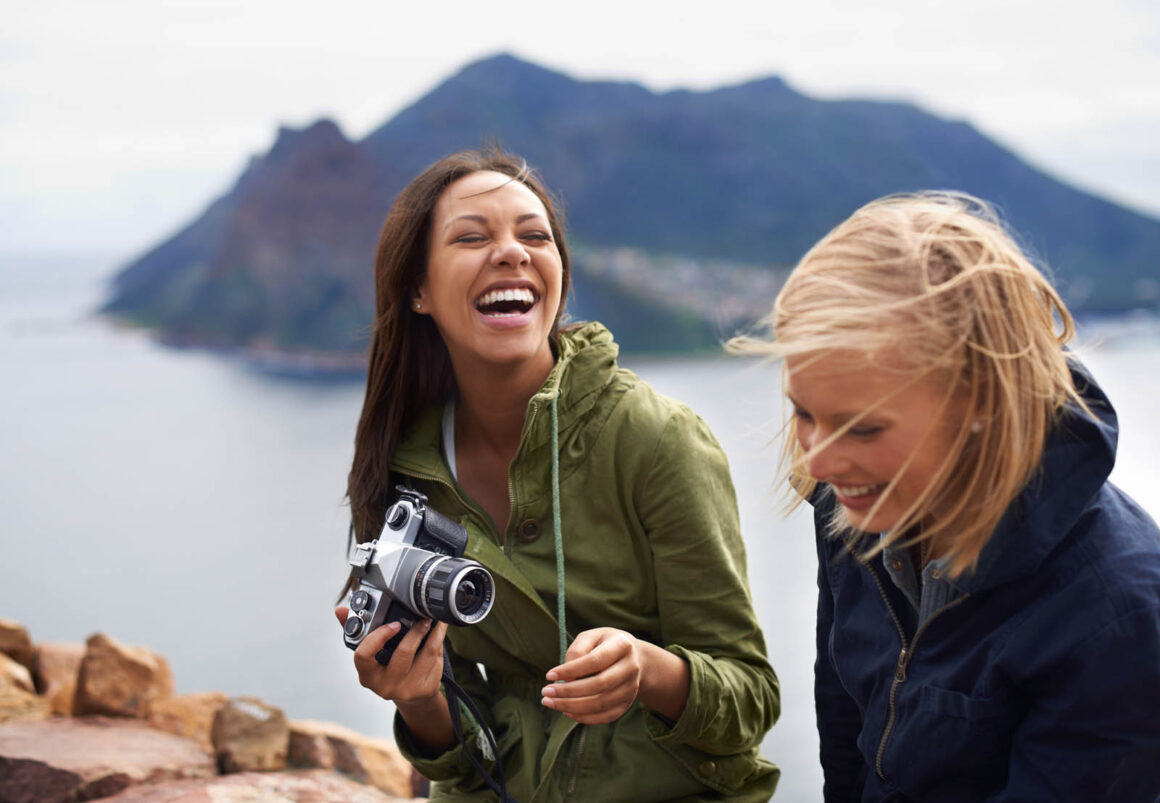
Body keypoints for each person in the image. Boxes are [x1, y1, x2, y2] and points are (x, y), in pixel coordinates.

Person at [336, 149, 780, 801]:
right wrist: (419, 701)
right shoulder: (409, 470)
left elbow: (751, 698)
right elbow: (462, 754)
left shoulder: (655, 439)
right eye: (472, 236)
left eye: (534, 235)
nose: (513, 252)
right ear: (418, 289)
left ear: (559, 276)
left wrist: (648, 669)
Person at [730, 192, 1160, 801]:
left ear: (981, 404)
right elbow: (847, 724)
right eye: (805, 413)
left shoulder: (1118, 617)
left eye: (864, 427)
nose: (819, 462)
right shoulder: (854, 505)